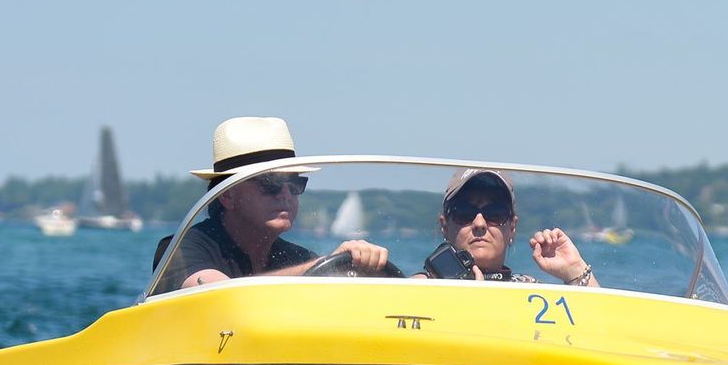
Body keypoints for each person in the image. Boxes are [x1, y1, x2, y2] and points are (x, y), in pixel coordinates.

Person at [152, 116, 391, 291]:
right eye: (271, 183)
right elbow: (225, 294)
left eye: (295, 183)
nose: (286, 194)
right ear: (228, 196)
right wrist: (324, 267)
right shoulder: (181, 250)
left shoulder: (298, 258)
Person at [417, 168, 598, 286]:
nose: (479, 224)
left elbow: (599, 327)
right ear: (445, 226)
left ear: (512, 227)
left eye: (495, 213)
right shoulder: (419, 288)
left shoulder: (532, 294)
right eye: (464, 212)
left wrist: (574, 269)